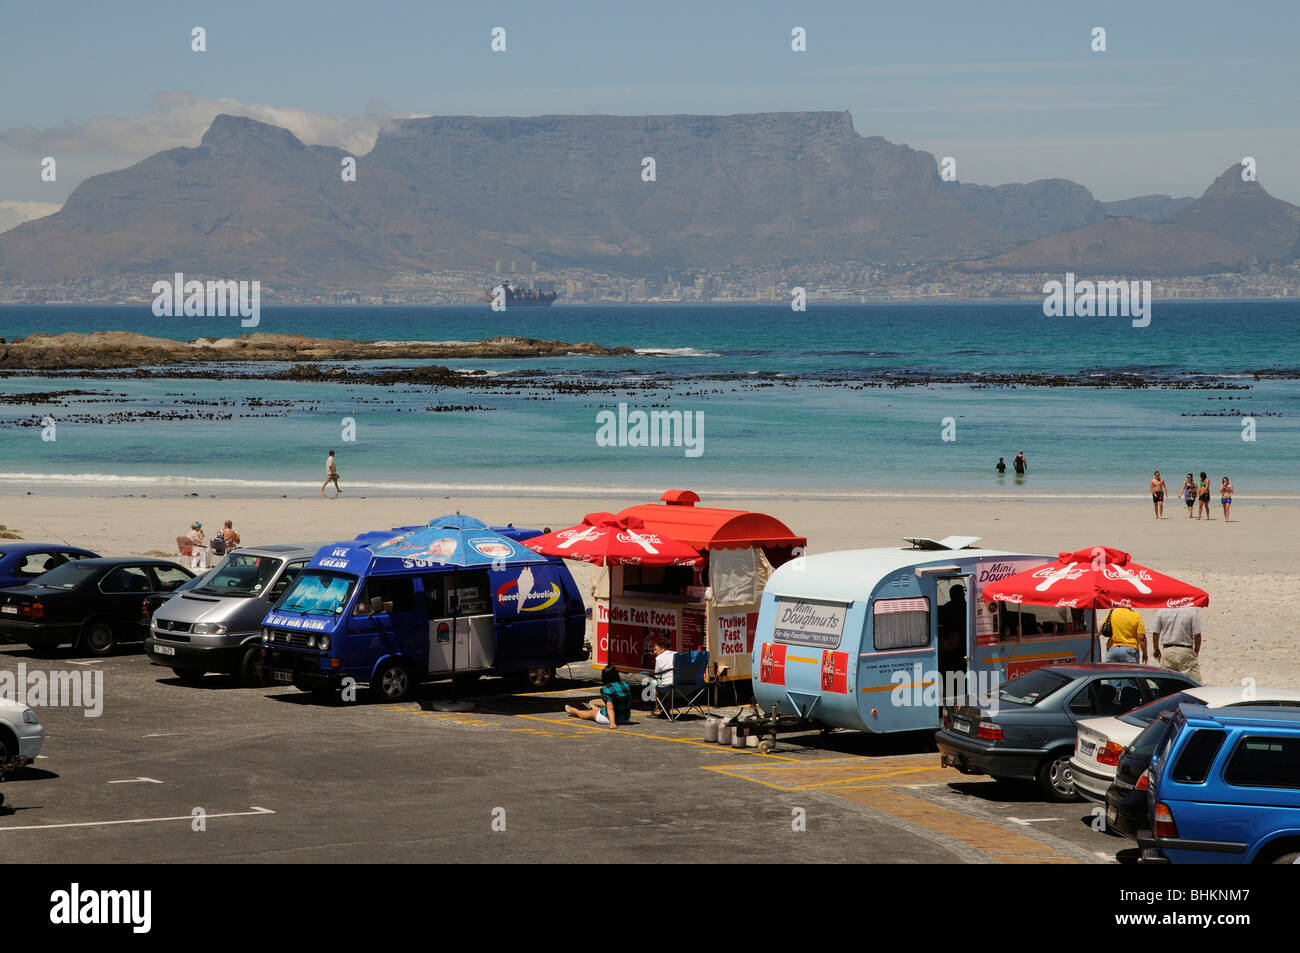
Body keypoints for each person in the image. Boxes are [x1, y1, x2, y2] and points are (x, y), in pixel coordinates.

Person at [565, 665, 632, 728]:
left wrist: (612, 724)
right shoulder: (625, 685)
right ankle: (594, 707)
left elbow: (610, 708)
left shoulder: (606, 689)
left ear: (604, 677)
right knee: (602, 709)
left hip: (609, 719)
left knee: (583, 713)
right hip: (625, 719)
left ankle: (571, 710)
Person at [1152, 606, 1203, 683]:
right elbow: (1197, 635)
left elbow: (1156, 633)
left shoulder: (1162, 610)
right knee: (1193, 682)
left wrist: (1156, 648)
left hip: (1168, 650)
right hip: (1185, 650)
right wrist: (1196, 650)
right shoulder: (1191, 611)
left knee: (1167, 682)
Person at [650, 637, 675, 716]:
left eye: (655, 649)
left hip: (667, 684)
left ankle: (657, 707)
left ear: (662, 649)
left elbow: (657, 676)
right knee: (672, 682)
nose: (654, 652)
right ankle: (667, 708)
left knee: (653, 683)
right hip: (680, 683)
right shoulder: (676, 654)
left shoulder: (659, 658)